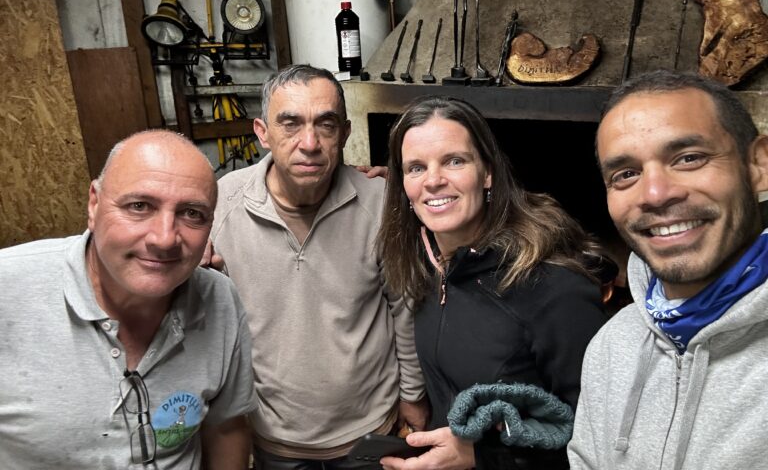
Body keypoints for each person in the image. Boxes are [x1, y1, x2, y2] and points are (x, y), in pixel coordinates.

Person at [210, 64, 427, 469]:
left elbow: (405, 306)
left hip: (371, 430)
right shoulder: (222, 205)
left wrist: (413, 394)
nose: (309, 143)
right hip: (275, 440)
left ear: (344, 133)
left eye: (325, 125)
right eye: (290, 124)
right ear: (262, 132)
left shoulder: (380, 202)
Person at [376, 96, 608, 470]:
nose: (433, 180)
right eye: (416, 168)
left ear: (487, 173)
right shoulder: (426, 262)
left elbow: (599, 436)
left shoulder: (554, 287)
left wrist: (481, 456)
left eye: (454, 161)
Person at [0, 130, 256, 469]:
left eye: (192, 213)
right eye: (139, 206)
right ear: (94, 204)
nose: (164, 238)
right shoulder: (9, 290)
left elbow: (225, 427)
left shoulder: (218, 299)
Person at [567, 70, 768, 469]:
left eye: (689, 158)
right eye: (626, 174)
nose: (656, 194)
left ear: (758, 165)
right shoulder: (612, 345)